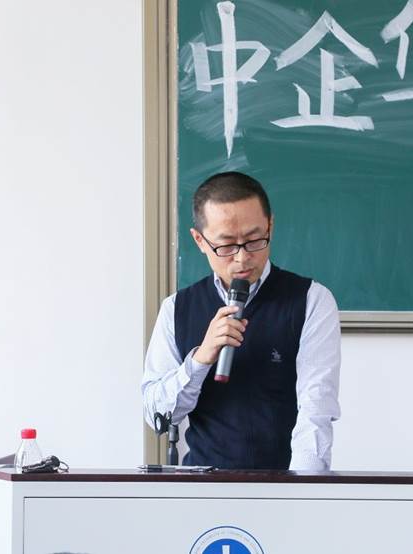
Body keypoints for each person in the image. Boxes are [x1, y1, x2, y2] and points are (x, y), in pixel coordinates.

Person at [141, 171, 340, 470]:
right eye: (226, 246)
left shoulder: (311, 300)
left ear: (270, 226)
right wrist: (200, 360)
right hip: (202, 484)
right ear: (199, 240)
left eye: (254, 240)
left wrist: (302, 487)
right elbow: (158, 417)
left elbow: (316, 410)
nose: (242, 258)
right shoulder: (176, 309)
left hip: (285, 481)